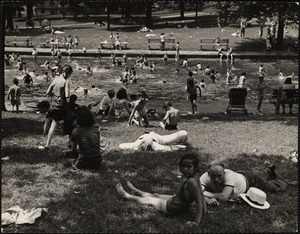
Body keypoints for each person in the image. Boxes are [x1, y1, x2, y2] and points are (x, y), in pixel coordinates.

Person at [116, 153, 207, 226]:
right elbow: (202, 196)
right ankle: (136, 190)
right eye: (183, 166)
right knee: (155, 194)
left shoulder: (192, 182)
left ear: (195, 168)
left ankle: (127, 196)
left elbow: (200, 202)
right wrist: (205, 213)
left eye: (189, 167)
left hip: (174, 207)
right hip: (176, 199)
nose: (185, 169)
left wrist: (197, 222)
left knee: (149, 200)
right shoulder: (196, 176)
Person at [200, 161, 290, 206]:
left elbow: (224, 197)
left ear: (224, 173)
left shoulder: (229, 176)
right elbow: (194, 191)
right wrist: (207, 199)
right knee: (259, 175)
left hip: (250, 181)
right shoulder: (205, 176)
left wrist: (204, 193)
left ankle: (286, 181)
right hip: (241, 175)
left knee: (272, 187)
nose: (216, 179)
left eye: (219, 176)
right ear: (208, 173)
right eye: (213, 176)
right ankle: (268, 171)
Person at [40, 65, 73, 150]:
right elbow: (67, 96)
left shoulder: (55, 79)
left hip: (54, 105)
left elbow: (48, 92)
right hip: (62, 106)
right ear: (66, 73)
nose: (69, 76)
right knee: (71, 122)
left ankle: (47, 145)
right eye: (70, 74)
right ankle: (70, 144)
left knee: (53, 124)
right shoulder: (66, 81)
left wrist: (56, 95)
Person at [63, 106, 102, 170]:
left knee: (65, 160)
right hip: (98, 161)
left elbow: (73, 151)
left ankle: (76, 165)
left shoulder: (76, 131)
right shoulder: (95, 129)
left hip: (84, 163)